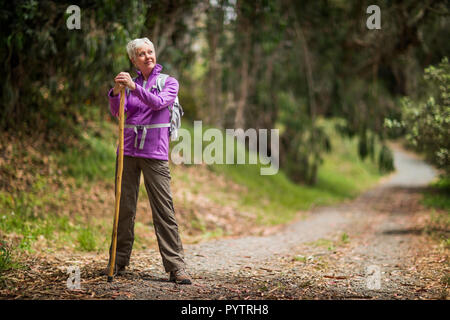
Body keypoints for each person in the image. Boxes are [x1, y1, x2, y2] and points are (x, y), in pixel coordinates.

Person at [105, 37, 191, 285]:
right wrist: (116, 93)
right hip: (128, 153)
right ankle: (117, 262)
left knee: (164, 212)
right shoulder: (131, 83)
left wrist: (133, 88)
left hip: (155, 154)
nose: (148, 56)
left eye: (150, 52)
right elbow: (119, 112)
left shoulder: (169, 83)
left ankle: (176, 267)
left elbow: (158, 103)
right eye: (141, 54)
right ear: (134, 60)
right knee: (124, 209)